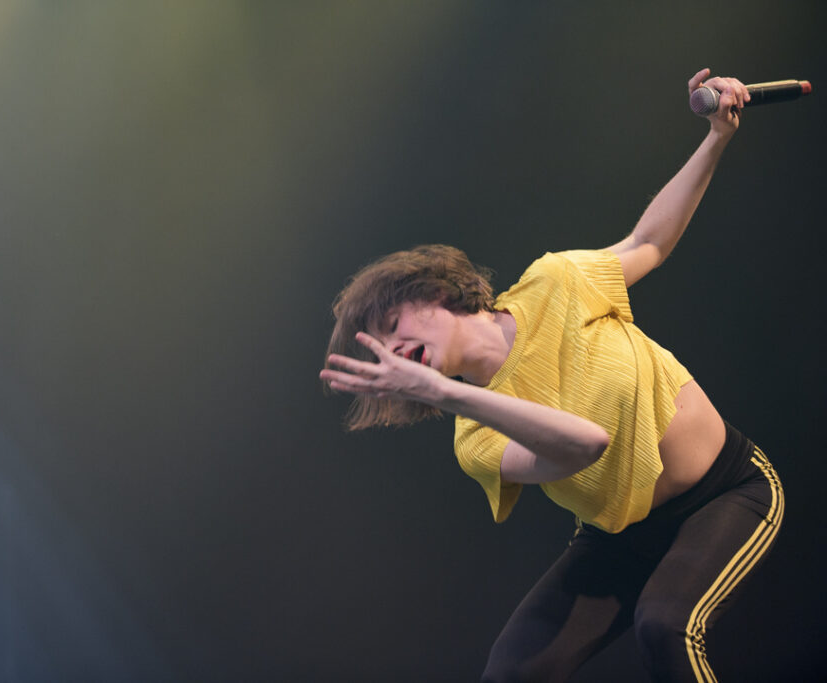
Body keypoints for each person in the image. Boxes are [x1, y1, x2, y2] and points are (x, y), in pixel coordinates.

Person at [319, 68, 783, 682]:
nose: (395, 350)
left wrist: (716, 137)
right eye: (381, 351)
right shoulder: (475, 439)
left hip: (726, 493)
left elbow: (649, 241)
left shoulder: (556, 283)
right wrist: (447, 394)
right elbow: (584, 444)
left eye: (392, 325)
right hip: (620, 537)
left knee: (665, 625)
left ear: (432, 293)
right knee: (511, 673)